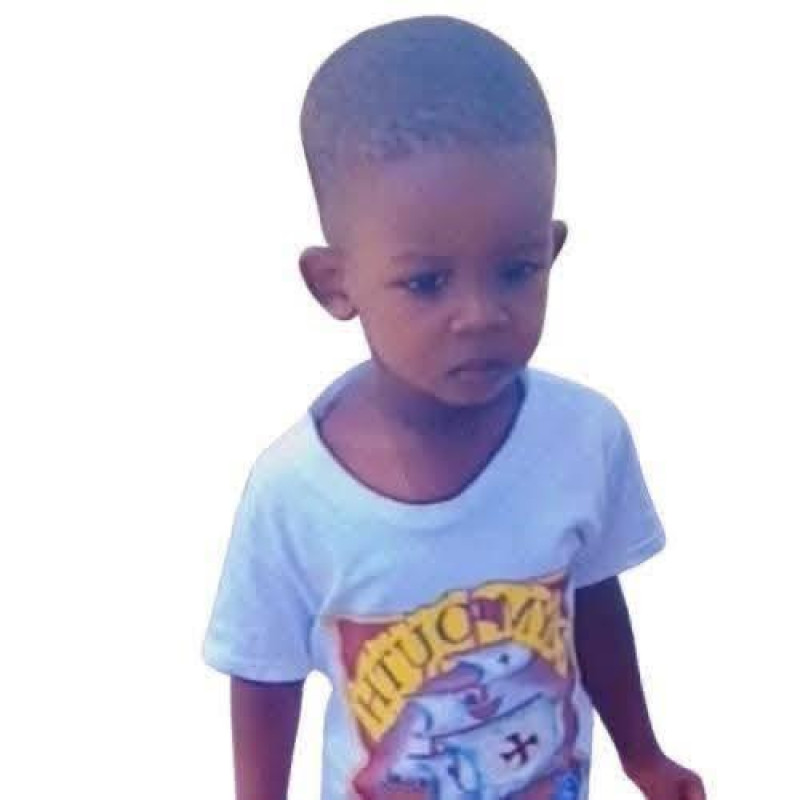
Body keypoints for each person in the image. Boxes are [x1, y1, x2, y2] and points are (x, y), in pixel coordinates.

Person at [202, 15, 706, 800]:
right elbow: (265, 677)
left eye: (516, 270)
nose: (480, 315)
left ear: (551, 250)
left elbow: (590, 598)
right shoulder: (295, 495)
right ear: (335, 284)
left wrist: (643, 754)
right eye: (428, 282)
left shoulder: (584, 438)